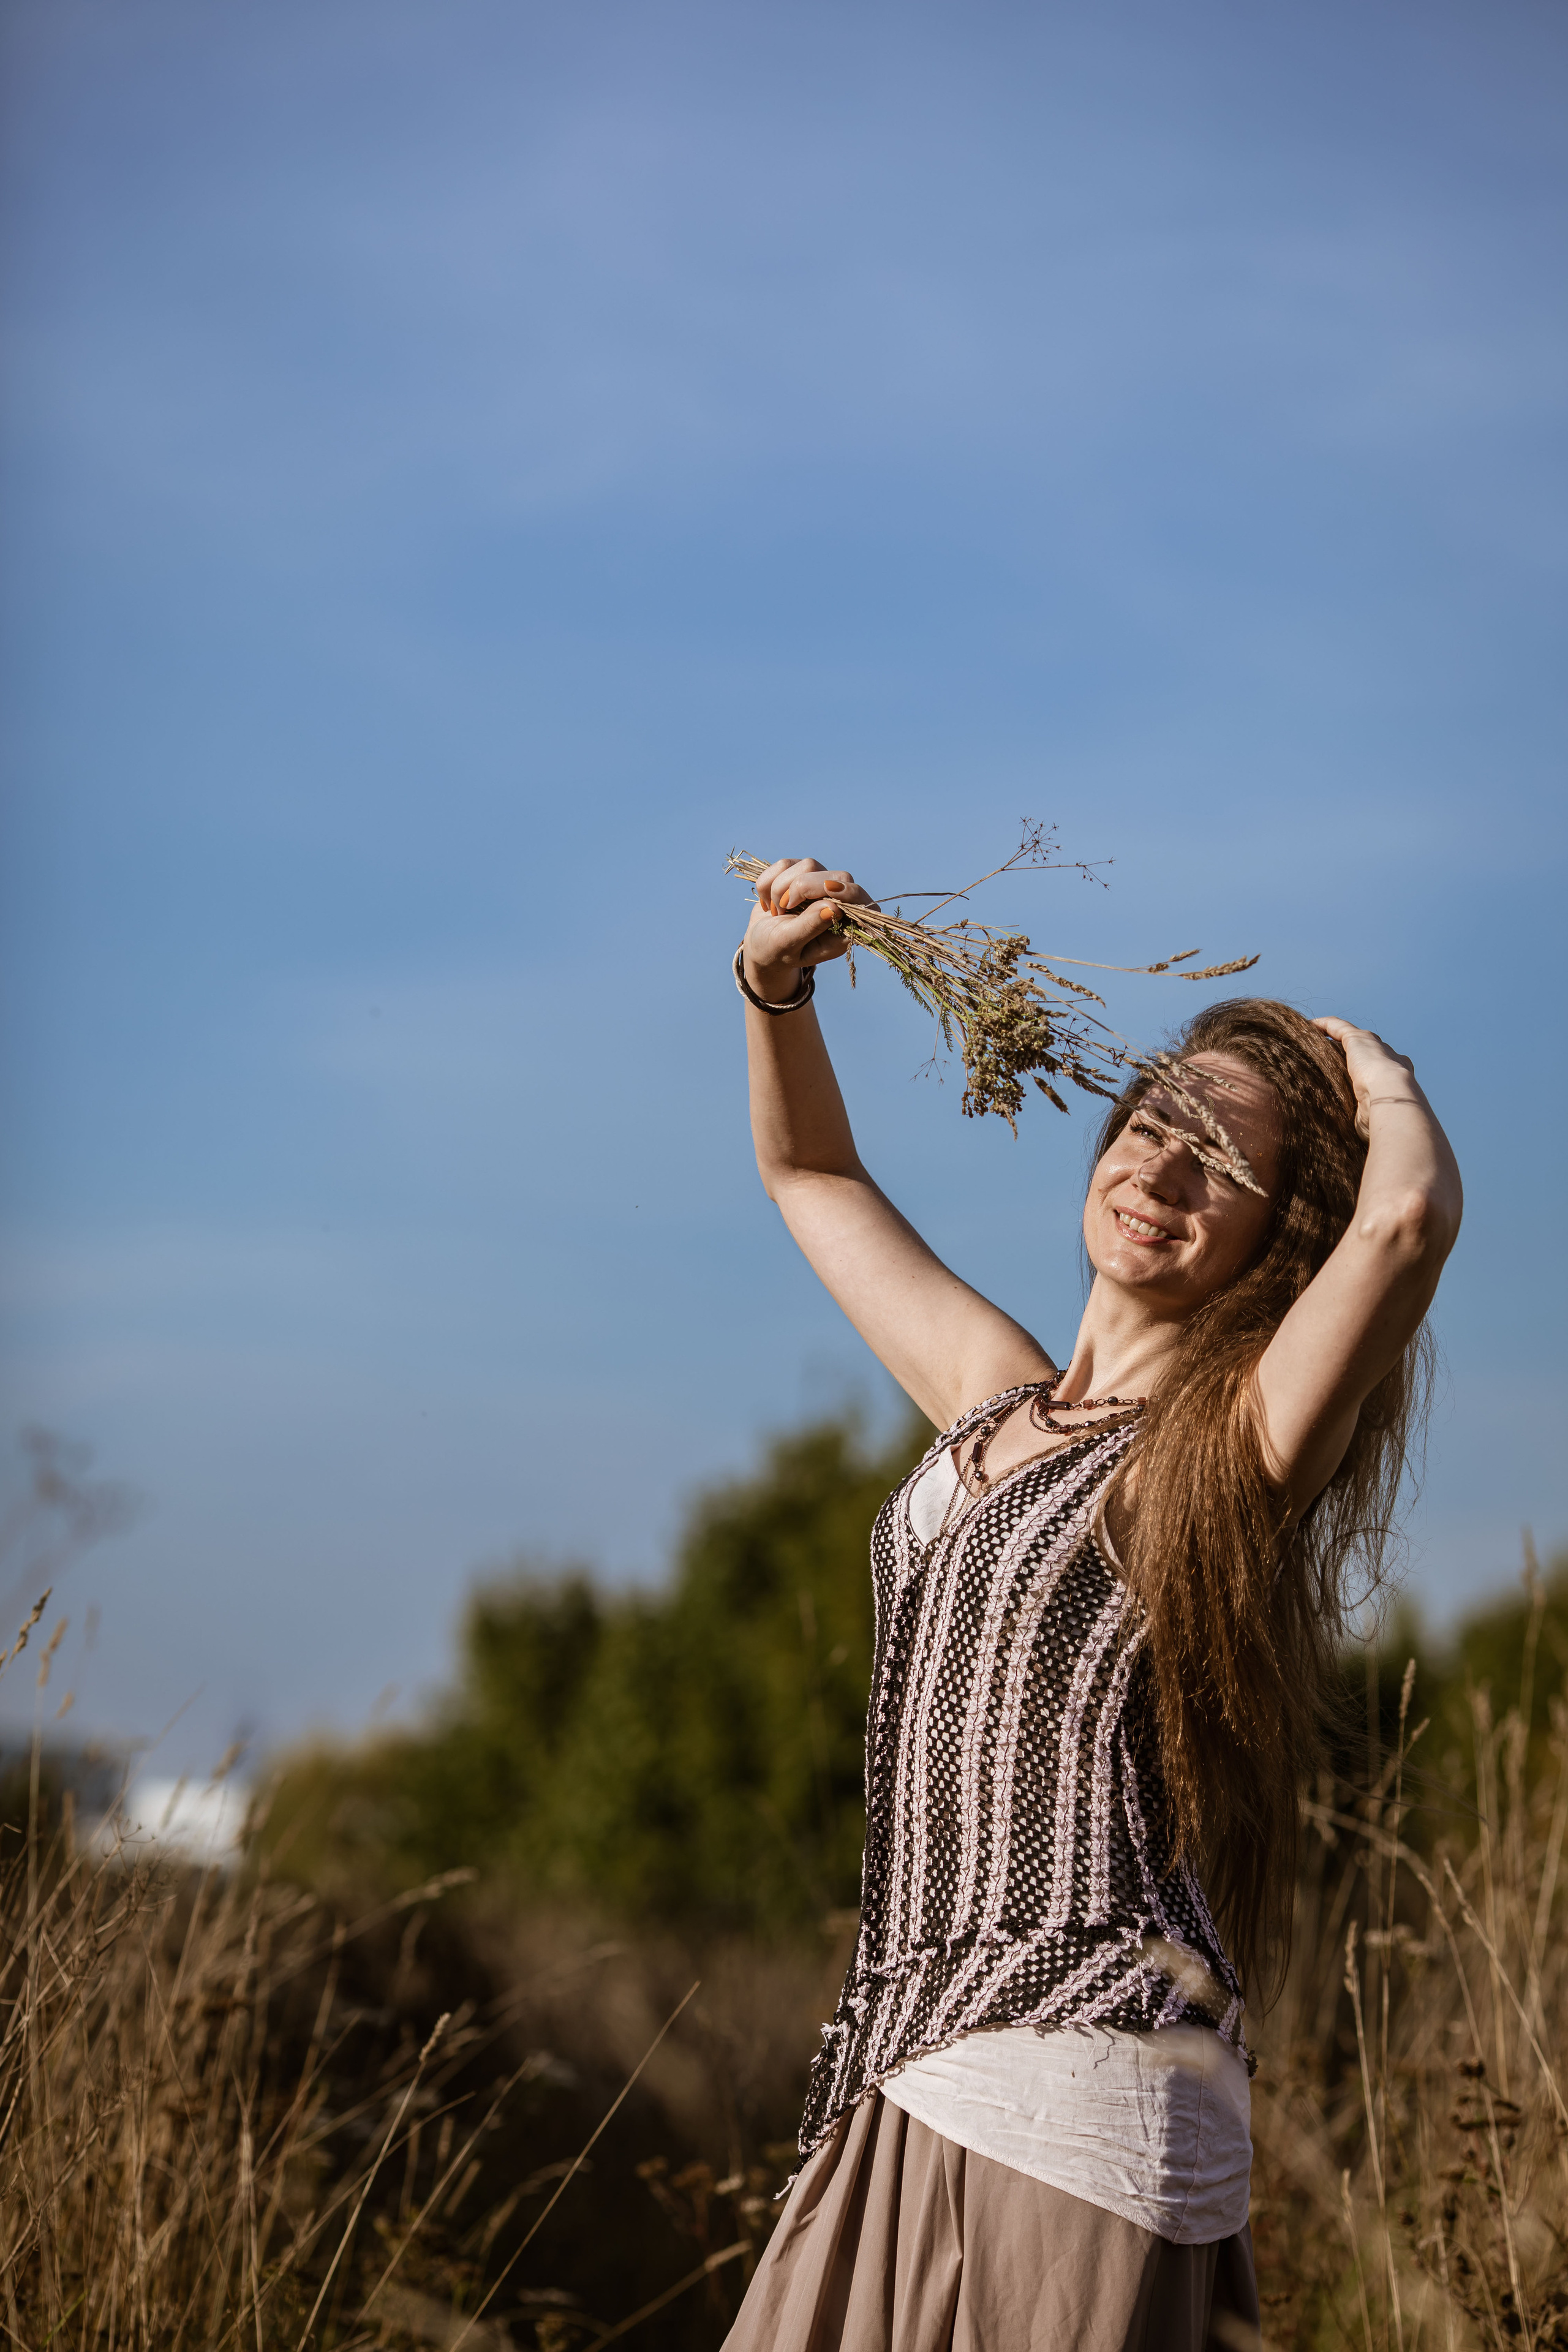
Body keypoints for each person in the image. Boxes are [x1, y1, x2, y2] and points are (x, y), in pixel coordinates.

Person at [720, 856, 1462, 2352]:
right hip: (910, 2054)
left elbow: (1400, 1231)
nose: (1163, 1173)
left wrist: (1374, 1079)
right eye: (1151, 1125)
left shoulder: (1226, 1450)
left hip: (1079, 2097)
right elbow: (811, 1177)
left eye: (1225, 1169)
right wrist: (774, 984)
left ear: (1275, 1242)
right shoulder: (994, 1404)